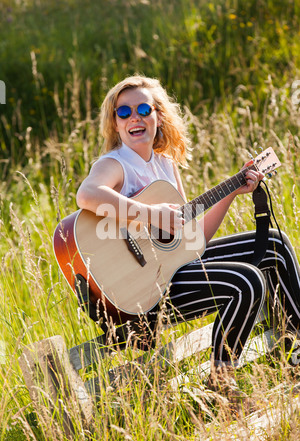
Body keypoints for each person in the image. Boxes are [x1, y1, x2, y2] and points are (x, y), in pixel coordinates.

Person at [76, 75, 300, 393]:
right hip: (140, 295)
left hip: (173, 272)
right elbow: (87, 195)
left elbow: (191, 243)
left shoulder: (166, 165)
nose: (134, 117)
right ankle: (223, 385)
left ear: (159, 115)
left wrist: (231, 192)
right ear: (114, 124)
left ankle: (295, 351)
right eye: (123, 112)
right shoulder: (115, 164)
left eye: (142, 108)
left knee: (275, 245)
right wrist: (152, 214)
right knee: (248, 281)